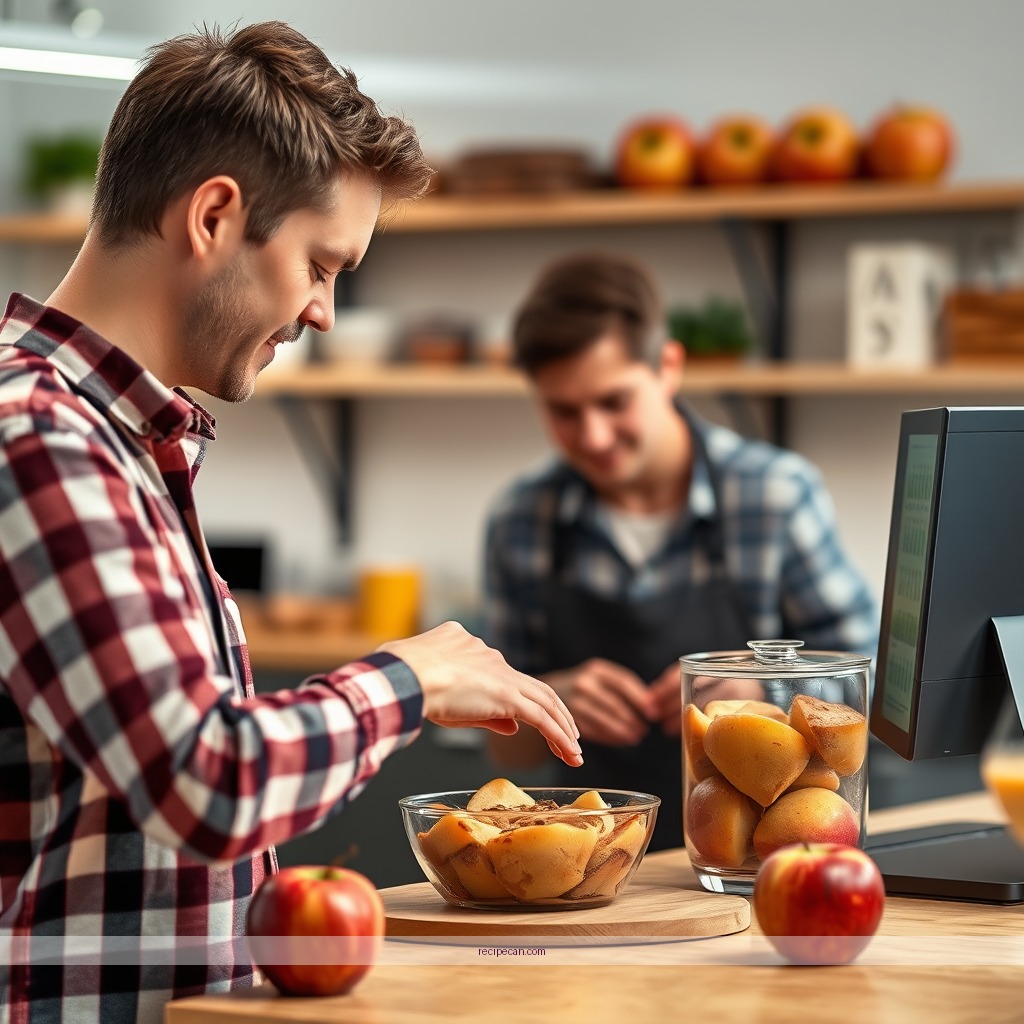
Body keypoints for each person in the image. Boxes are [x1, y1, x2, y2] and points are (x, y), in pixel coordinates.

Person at [0, 22, 582, 1024]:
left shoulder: (116, 440)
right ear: (214, 216)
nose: (323, 312)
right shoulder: (37, 437)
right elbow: (208, 781)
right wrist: (408, 679)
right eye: (320, 264)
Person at [482, 250, 878, 852]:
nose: (593, 435)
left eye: (614, 402)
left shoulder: (773, 495)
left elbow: (873, 690)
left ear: (668, 367)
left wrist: (764, 695)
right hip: (593, 861)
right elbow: (501, 748)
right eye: (564, 411)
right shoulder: (521, 520)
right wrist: (546, 701)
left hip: (763, 856)